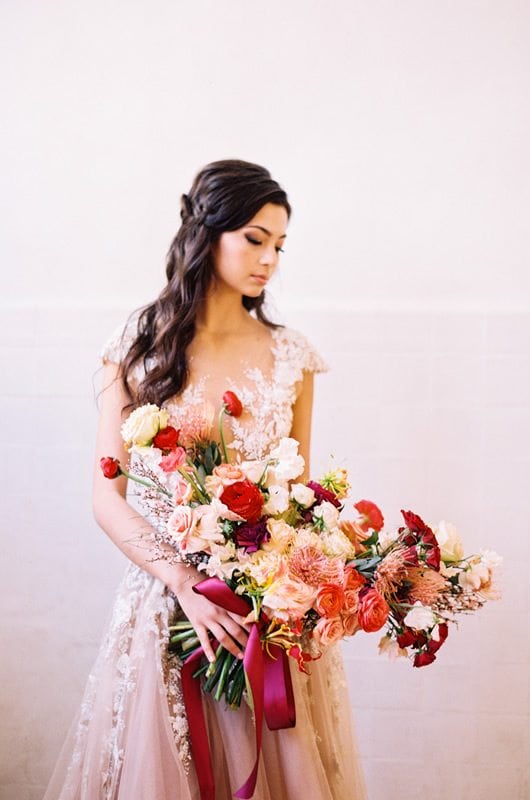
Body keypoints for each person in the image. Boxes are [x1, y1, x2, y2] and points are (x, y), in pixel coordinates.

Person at [44, 159, 367, 800]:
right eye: (254, 238)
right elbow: (106, 497)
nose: (269, 259)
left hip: (266, 619)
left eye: (279, 245)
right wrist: (186, 582)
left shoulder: (290, 356)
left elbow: (299, 500)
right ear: (205, 232)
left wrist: (302, 580)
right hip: (169, 608)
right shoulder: (141, 345)